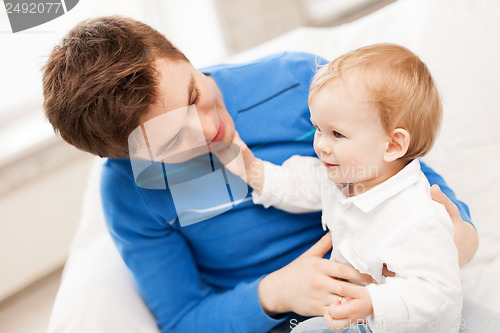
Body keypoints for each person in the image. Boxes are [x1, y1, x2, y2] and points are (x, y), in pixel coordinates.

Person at [42, 16, 479, 333]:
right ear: (129, 159)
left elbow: (409, 173)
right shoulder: (131, 193)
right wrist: (274, 294)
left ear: (183, 56)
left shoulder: (294, 82)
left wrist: (451, 235)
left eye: (195, 94)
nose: (209, 128)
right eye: (174, 141)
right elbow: (183, 319)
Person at [222, 43, 462, 332]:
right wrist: (252, 170)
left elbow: (438, 292)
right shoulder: (346, 179)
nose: (321, 145)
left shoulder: (416, 216)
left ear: (393, 145)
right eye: (317, 129)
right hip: (357, 319)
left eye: (337, 133)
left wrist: (374, 301)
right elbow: (299, 183)